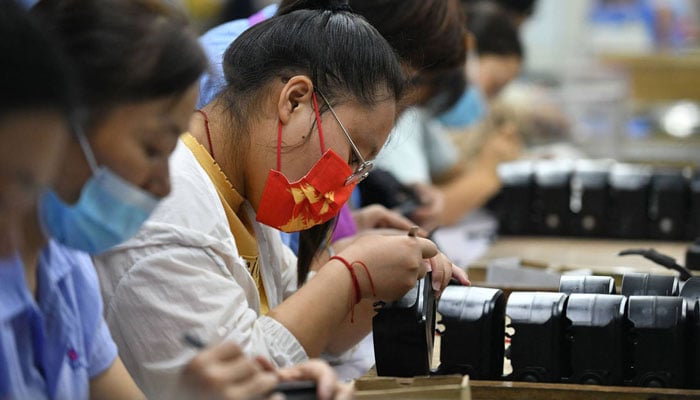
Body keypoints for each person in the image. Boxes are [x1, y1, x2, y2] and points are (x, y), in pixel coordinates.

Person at [93, 1, 466, 397]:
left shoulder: (243, 191)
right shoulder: (168, 209)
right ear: (294, 100)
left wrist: (381, 281)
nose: (346, 187)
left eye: (362, 169)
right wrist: (350, 274)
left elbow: (312, 325)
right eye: (352, 155)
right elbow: (240, 380)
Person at [10, 0, 350, 399]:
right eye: (152, 148)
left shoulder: (66, 272)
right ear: (61, 127)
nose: (164, 185)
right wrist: (351, 275)